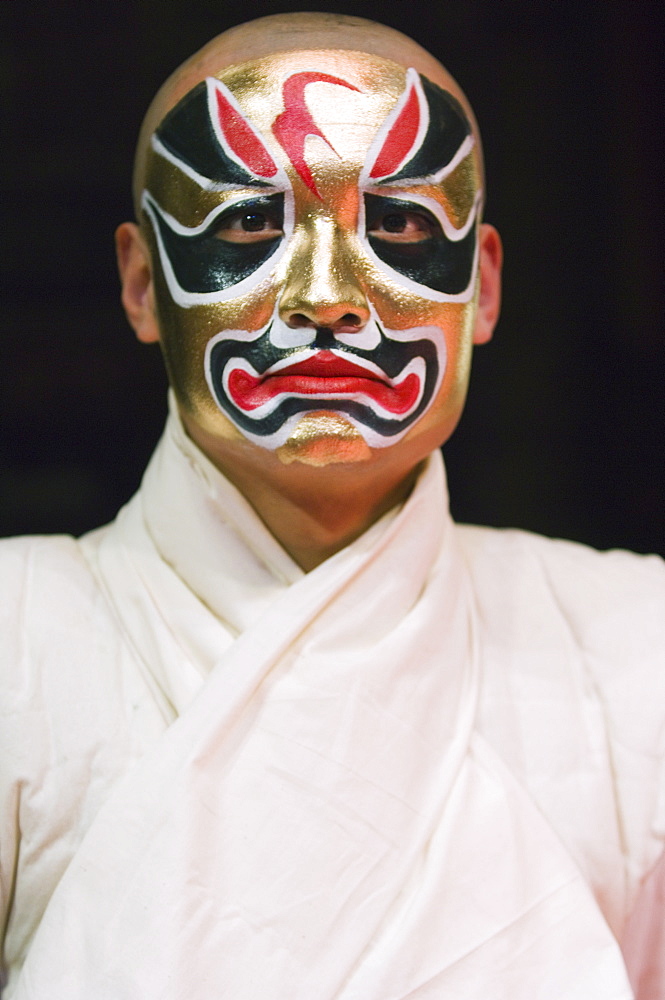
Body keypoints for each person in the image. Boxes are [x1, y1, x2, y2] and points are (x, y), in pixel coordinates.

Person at [1, 12, 663, 999]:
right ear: (142, 285)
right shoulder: (16, 632)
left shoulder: (633, 639)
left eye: (395, 224)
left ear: (481, 289)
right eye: (246, 224)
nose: (325, 297)